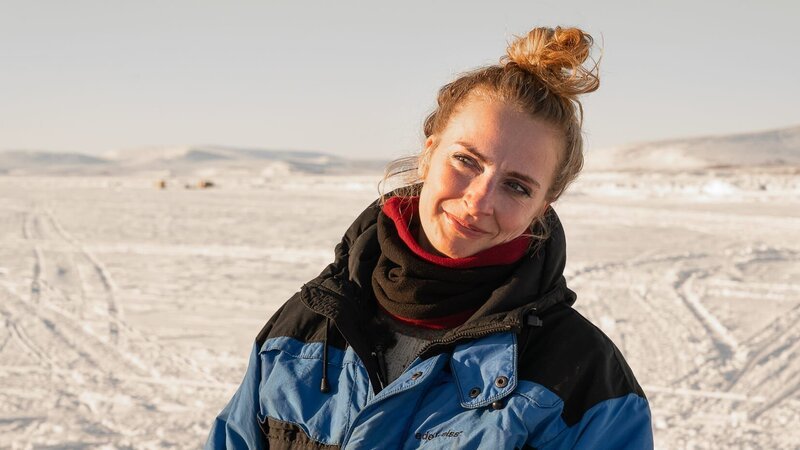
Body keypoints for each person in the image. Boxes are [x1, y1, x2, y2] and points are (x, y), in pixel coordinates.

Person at [206, 26, 653, 449]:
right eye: (466, 161)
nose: (478, 201)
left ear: (544, 207)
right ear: (428, 154)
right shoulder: (305, 327)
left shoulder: (586, 381)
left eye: (517, 186)